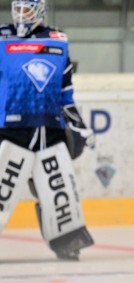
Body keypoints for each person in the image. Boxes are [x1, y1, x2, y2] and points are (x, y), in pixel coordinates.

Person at [0, 0, 94, 260]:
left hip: (49, 128)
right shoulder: (2, 37)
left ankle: (68, 240)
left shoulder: (57, 41)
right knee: (1, 189)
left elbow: (65, 93)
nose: (21, 15)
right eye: (17, 9)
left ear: (40, 11)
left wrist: (77, 122)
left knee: (58, 186)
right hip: (11, 129)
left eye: (27, 9)